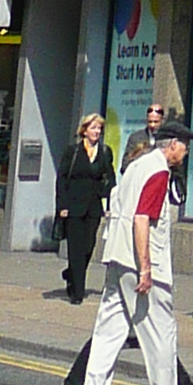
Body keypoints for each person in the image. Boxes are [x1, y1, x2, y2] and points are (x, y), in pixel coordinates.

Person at [77, 115, 193, 385]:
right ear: (172, 145)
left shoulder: (136, 166)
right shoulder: (158, 172)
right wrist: (146, 268)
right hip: (140, 262)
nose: (185, 154)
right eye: (184, 147)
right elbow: (142, 219)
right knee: (161, 334)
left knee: (107, 334)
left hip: (116, 257)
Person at [56, 113, 113, 304]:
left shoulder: (105, 152)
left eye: (99, 128)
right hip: (73, 205)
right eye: (93, 128)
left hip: (94, 206)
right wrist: (62, 206)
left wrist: (108, 201)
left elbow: (110, 179)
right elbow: (62, 179)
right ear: (84, 130)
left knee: (88, 246)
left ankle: (71, 273)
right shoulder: (72, 152)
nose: (97, 131)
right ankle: (77, 292)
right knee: (75, 248)